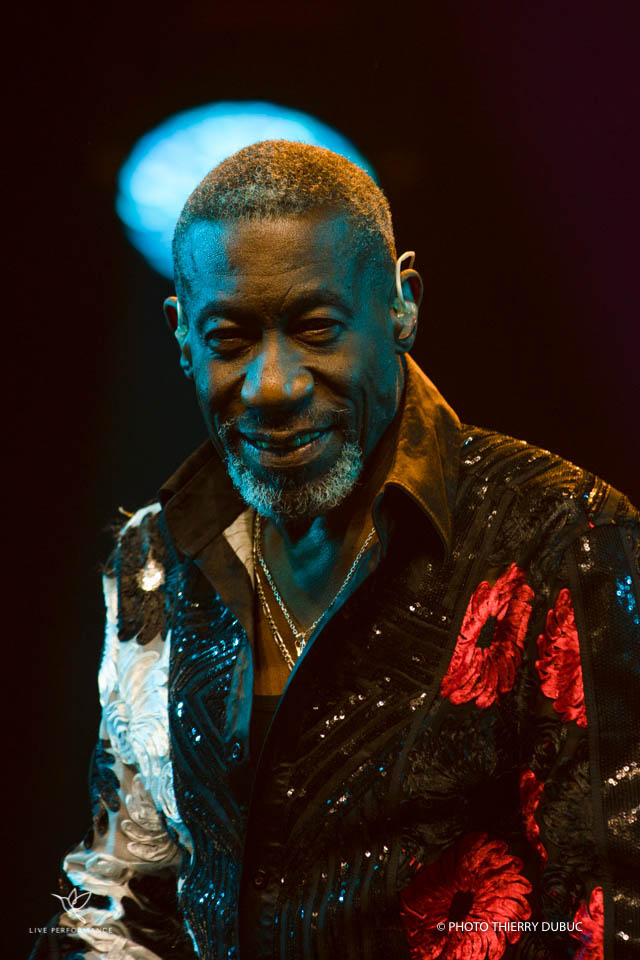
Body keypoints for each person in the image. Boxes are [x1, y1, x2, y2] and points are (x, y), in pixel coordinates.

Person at [32, 141, 639, 960]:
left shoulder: (566, 538)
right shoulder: (154, 558)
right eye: (229, 340)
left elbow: (611, 916)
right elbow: (120, 897)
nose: (273, 385)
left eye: (317, 329)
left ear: (402, 306)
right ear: (181, 337)